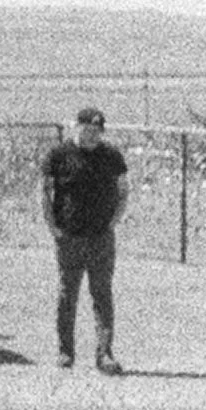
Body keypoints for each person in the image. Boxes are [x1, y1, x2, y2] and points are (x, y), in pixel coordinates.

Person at [41, 103, 130, 373]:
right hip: (69, 237)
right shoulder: (59, 155)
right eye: (87, 129)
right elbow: (45, 191)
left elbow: (124, 191)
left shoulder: (112, 156)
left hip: (101, 238)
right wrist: (52, 225)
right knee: (67, 295)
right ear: (75, 126)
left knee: (102, 295)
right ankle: (65, 353)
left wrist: (113, 221)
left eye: (96, 130)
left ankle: (105, 355)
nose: (91, 135)